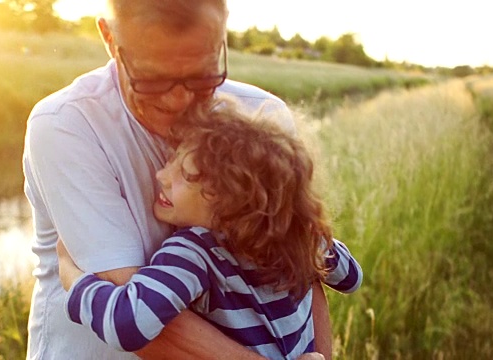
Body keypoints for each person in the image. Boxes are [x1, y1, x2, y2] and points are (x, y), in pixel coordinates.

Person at [22, 0, 332, 359]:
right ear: (109, 38)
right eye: (152, 80)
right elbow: (149, 327)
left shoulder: (263, 121)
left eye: (202, 76)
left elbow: (303, 272)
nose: (178, 99)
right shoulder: (66, 125)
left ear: (222, 34)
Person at [56, 101, 363, 359]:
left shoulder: (193, 253)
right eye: (172, 159)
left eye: (186, 175)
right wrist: (310, 235)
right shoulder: (295, 241)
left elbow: (128, 324)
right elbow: (352, 278)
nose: (162, 176)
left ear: (231, 199)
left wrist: (73, 279)